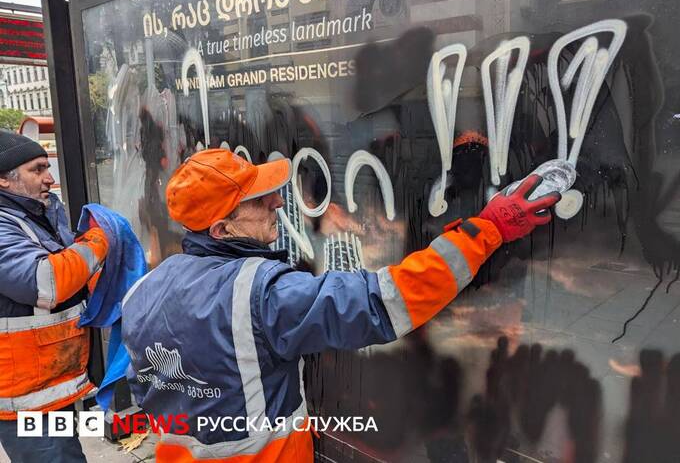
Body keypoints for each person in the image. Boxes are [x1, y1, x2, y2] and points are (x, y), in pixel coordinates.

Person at [121, 149, 560, 463]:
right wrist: (490, 228)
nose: (277, 201)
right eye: (256, 200)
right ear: (221, 228)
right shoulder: (263, 296)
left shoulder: (143, 291)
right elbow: (386, 299)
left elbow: (144, 390)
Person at [0, 131, 109, 462]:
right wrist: (99, 241)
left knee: (70, 453)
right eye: (37, 169)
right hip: (24, 400)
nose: (50, 179)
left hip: (55, 383)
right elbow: (46, 283)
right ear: (4, 179)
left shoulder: (40, 213)